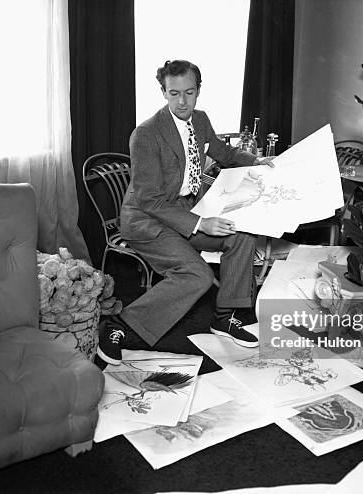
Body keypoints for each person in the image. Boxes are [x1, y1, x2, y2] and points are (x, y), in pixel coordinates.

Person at [95, 59, 274, 368]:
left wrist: (254, 161)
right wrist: (201, 223)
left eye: (189, 92)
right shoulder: (146, 134)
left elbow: (223, 152)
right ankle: (118, 325)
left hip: (183, 210)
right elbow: (149, 200)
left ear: (198, 91)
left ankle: (223, 316)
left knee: (242, 235)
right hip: (147, 219)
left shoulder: (200, 120)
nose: (182, 101)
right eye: (174, 93)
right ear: (163, 92)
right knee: (198, 275)